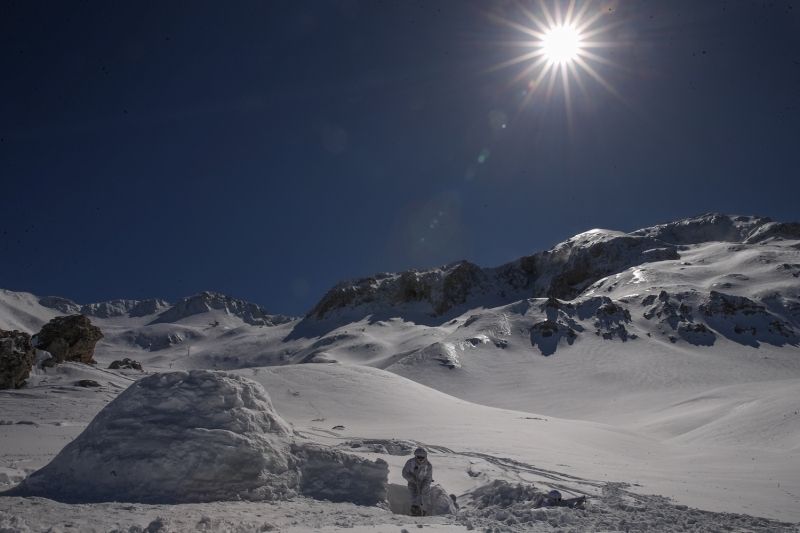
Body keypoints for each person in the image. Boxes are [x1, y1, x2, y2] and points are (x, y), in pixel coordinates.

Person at [402, 447, 433, 516]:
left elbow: (428, 478)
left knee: (424, 495)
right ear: (416, 456)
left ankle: (424, 511)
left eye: (422, 457)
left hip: (424, 483)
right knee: (414, 495)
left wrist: (425, 485)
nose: (420, 459)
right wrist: (411, 478)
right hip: (413, 482)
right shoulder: (410, 463)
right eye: (419, 457)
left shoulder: (428, 466)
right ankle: (414, 511)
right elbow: (404, 473)